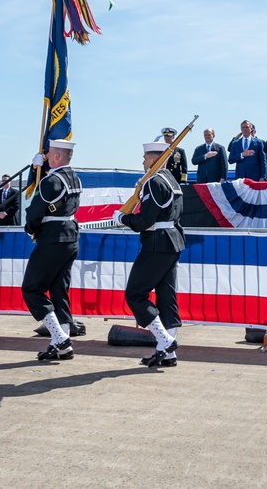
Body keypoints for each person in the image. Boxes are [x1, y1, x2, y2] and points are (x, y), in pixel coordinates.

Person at [113, 142, 184, 368]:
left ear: (154, 159)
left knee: (135, 294)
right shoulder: (172, 180)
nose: (143, 161)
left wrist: (122, 219)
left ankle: (165, 340)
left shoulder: (154, 182)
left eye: (145, 157)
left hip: (156, 244)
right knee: (166, 297)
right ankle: (167, 353)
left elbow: (146, 220)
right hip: (172, 242)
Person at [23, 140, 82, 361]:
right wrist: (35, 170)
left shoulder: (51, 181)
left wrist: (31, 229)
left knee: (32, 289)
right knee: (59, 291)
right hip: (70, 237)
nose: (46, 156)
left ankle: (59, 337)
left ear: (57, 157)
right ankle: (63, 346)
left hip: (52, 239)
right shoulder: (74, 178)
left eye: (49, 154)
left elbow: (35, 212)